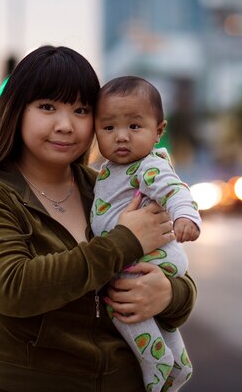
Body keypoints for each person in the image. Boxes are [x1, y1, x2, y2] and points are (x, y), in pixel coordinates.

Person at [0, 46, 197, 392]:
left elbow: (173, 271)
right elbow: (13, 289)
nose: (65, 125)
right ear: (16, 111)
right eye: (47, 107)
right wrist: (125, 242)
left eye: (80, 110)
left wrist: (168, 295)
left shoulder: (105, 190)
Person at [92, 76, 201, 392]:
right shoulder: (109, 170)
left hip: (145, 260)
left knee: (124, 308)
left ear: (159, 131)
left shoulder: (147, 167)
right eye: (109, 128)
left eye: (134, 127)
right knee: (156, 318)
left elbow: (175, 190)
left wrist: (186, 217)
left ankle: (156, 367)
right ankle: (179, 364)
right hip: (141, 259)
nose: (121, 137)